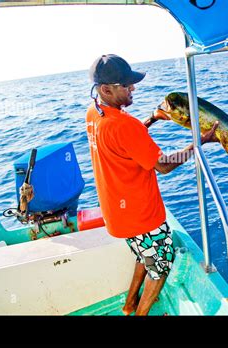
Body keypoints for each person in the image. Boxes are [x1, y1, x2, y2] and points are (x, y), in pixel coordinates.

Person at [86, 54, 219, 316]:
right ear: (106, 89)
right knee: (160, 265)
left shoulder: (94, 113)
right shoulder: (126, 125)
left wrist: (153, 119)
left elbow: (123, 143)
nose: (133, 88)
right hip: (141, 216)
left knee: (143, 254)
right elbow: (164, 165)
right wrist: (200, 142)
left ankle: (129, 305)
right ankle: (141, 312)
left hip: (117, 214)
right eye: (126, 85)